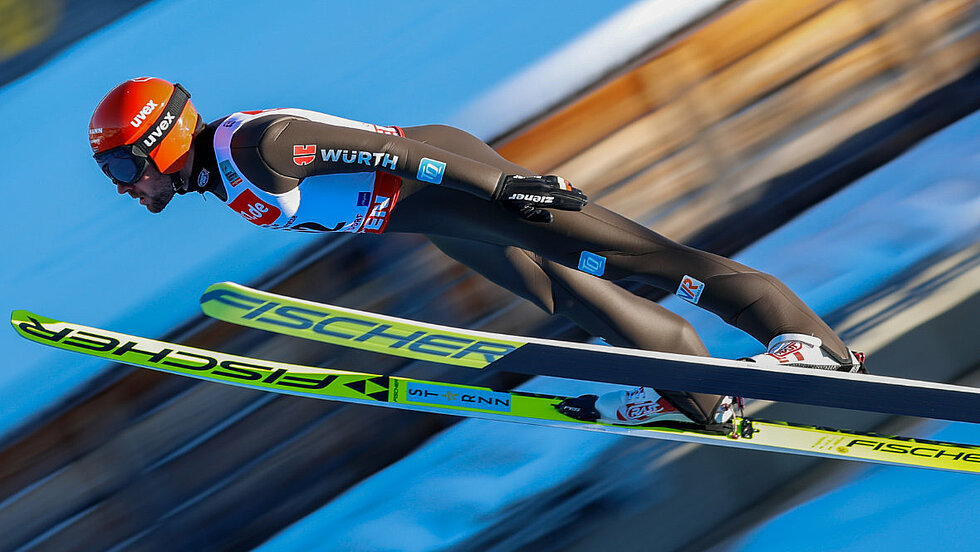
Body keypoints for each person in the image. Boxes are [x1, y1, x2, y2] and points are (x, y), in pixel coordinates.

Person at [88, 77, 864, 429]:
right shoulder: (221, 174)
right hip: (435, 215)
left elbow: (391, 152)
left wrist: (506, 191)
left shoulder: (260, 146)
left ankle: (812, 347)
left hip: (454, 183)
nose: (124, 187)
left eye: (123, 167)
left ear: (161, 141)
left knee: (639, 257)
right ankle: (691, 392)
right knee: (567, 297)